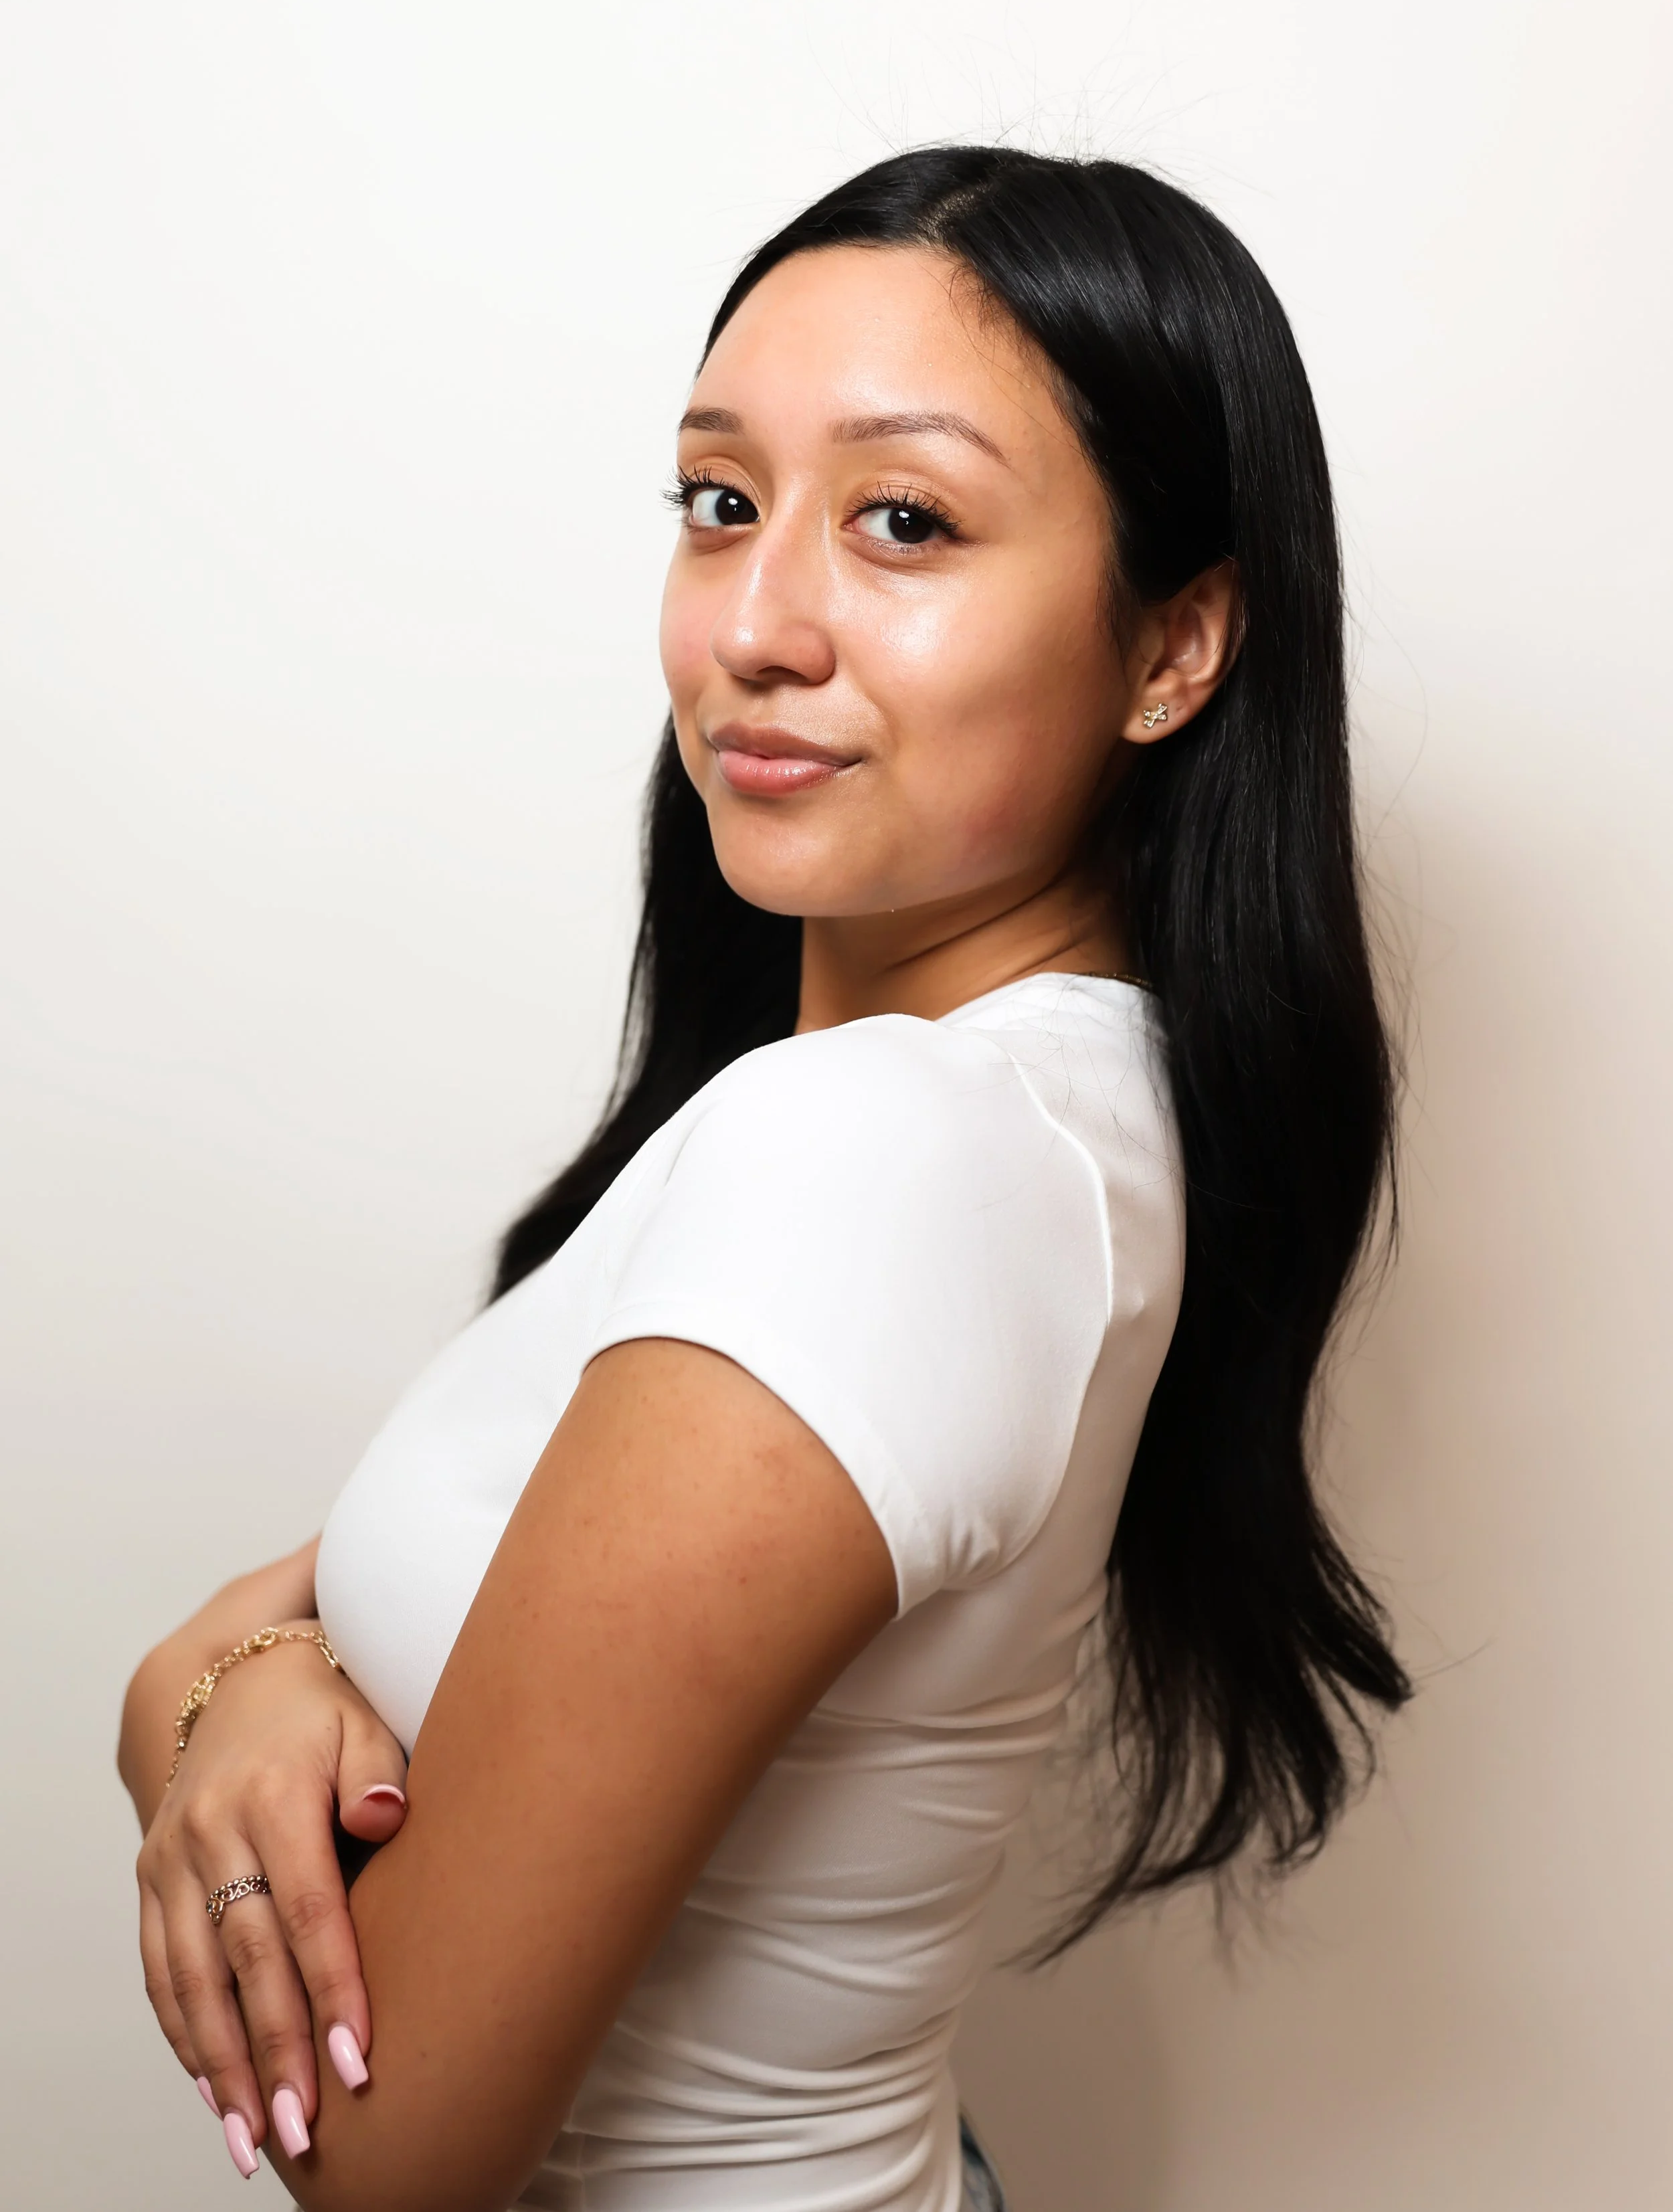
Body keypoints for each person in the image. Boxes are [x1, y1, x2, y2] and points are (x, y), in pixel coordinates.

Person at [118, 145, 1411, 2212]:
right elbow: (293, 1620)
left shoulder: (892, 1154)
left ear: (1173, 648)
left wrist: (184, 1696)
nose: (755, 624)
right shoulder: (990, 1114)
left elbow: (380, 2149)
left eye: (903, 520)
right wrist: (237, 1677)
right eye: (721, 502)